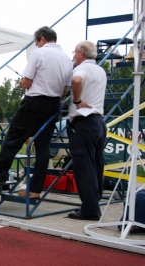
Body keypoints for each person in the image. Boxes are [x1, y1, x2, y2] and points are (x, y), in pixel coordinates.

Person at [0, 26, 73, 199]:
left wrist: (23, 81)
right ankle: (35, 189)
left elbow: (26, 83)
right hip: (54, 104)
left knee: (12, 139)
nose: (36, 45)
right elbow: (65, 90)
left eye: (36, 42)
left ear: (41, 39)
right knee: (42, 147)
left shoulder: (39, 53)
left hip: (34, 102)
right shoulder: (66, 58)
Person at [66, 41, 107, 221]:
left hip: (84, 121)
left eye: (74, 52)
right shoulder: (100, 70)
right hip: (98, 121)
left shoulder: (81, 69)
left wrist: (77, 101)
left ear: (81, 54)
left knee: (84, 167)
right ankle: (92, 202)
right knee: (96, 165)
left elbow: (76, 81)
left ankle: (89, 209)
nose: (73, 56)